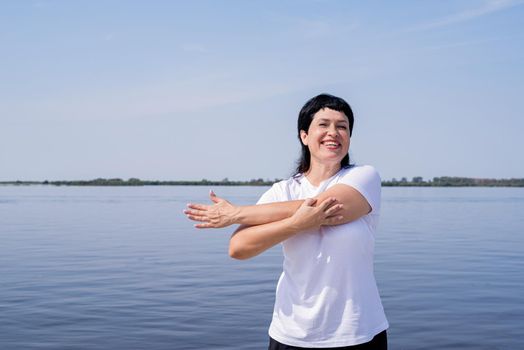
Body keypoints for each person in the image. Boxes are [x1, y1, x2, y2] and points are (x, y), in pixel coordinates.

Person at [184, 94, 388, 349]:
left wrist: (237, 213)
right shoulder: (282, 191)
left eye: (342, 126)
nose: (333, 133)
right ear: (304, 135)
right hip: (291, 334)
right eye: (323, 125)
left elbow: (328, 207)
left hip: (358, 332)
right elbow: (239, 248)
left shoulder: (364, 177)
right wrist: (295, 225)